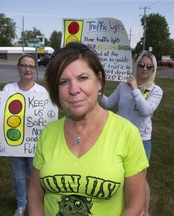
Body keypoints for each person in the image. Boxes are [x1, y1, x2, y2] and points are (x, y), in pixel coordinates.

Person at [27, 42, 149, 216]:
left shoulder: (126, 133)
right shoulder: (48, 133)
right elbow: (34, 194)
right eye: (63, 82)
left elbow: (135, 205)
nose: (74, 90)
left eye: (82, 78)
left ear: (99, 81)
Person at [100, 51, 163, 216]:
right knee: (119, 175)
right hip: (119, 136)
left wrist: (136, 89)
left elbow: (145, 110)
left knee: (140, 179)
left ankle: (145, 211)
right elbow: (107, 104)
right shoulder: (123, 85)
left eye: (149, 66)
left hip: (141, 139)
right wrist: (97, 92)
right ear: (137, 65)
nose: (144, 69)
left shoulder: (156, 90)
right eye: (141, 65)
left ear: (153, 69)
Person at [2, 54, 48, 216]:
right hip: (14, 142)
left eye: (31, 66)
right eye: (24, 65)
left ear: (35, 70)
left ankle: (37, 204)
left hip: (34, 145)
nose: (27, 69)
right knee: (19, 177)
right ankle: (21, 205)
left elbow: (46, 119)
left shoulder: (41, 91)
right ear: (18, 68)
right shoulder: (8, 89)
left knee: (36, 177)